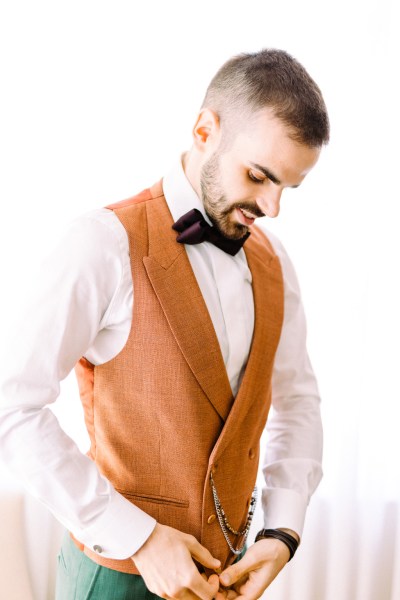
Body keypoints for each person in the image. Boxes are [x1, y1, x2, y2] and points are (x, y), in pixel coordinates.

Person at [0, 48, 329, 600]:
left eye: (287, 188)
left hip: (228, 580)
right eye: (258, 176)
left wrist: (282, 529)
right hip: (113, 579)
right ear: (205, 131)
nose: (272, 207)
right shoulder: (100, 243)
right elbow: (12, 406)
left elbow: (297, 401)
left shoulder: (276, 266)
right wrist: (139, 538)